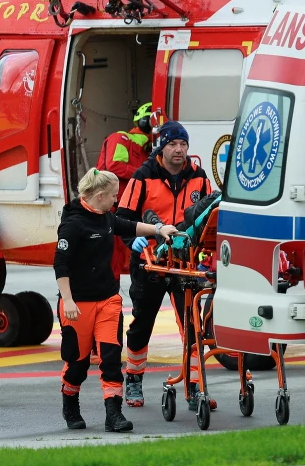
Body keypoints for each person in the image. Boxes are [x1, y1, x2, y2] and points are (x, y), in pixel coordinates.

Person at [55, 167, 176, 432]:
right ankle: (70, 402)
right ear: (99, 196)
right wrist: (68, 301)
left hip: (108, 300)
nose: (116, 201)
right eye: (113, 196)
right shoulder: (73, 225)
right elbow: (60, 265)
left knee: (111, 357)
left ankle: (114, 413)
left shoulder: (106, 218)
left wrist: (159, 229)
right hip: (78, 305)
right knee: (78, 362)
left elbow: (130, 226)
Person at [116, 120, 213, 409]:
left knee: (193, 326)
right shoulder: (143, 176)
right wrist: (132, 242)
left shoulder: (199, 177)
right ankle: (133, 380)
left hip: (185, 262)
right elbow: (122, 219)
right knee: (143, 323)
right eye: (173, 144)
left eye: (183, 144)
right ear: (162, 146)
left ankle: (196, 387)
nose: (179, 150)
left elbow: (207, 216)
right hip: (149, 261)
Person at [95, 102, 156, 202]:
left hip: (131, 200)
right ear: (145, 122)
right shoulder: (121, 138)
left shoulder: (146, 151)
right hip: (113, 203)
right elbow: (115, 165)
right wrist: (144, 173)